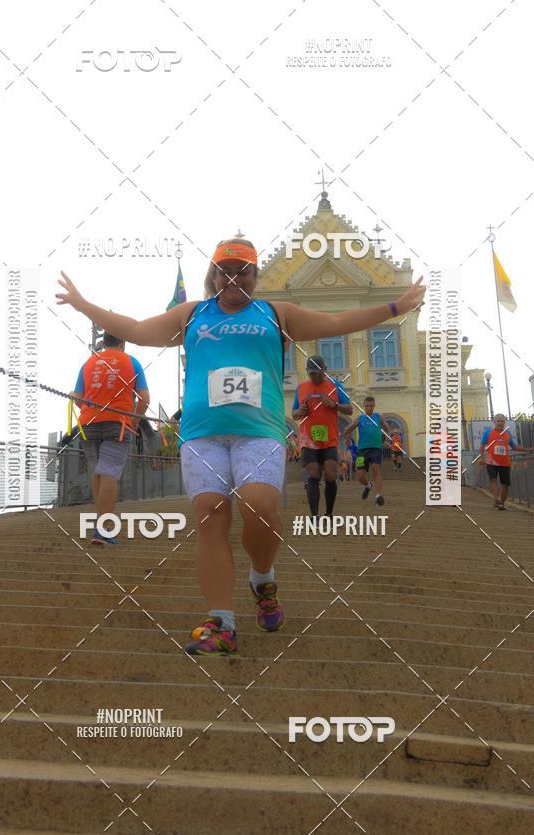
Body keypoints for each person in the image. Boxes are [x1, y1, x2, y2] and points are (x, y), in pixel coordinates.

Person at [57, 239, 425, 655]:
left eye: (244, 270)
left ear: (255, 276)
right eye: (225, 269)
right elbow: (137, 330)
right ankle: (221, 622)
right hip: (201, 434)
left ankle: (262, 578)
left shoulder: (275, 313)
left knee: (260, 506)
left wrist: (397, 307)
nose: (234, 277)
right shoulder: (193, 314)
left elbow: (337, 320)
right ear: (213, 275)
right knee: (210, 519)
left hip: (259, 431)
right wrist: (84, 305)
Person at [70, 332, 149, 545]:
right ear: (122, 342)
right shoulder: (131, 362)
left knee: (97, 469)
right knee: (109, 471)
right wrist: (134, 421)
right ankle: (103, 529)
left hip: (89, 422)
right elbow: (144, 398)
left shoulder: (88, 363)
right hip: (119, 422)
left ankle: (100, 522)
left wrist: (90, 409)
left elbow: (77, 397)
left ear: (104, 343)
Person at [291, 356, 352, 517]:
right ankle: (314, 515)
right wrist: (300, 412)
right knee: (313, 473)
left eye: (318, 373)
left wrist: (335, 405)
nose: (315, 377)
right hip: (307, 440)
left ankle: (329, 513)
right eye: (312, 374)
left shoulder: (335, 387)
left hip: (329, 440)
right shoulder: (301, 388)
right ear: (307, 372)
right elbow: (294, 413)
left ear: (324, 369)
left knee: (331, 473)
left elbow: (350, 409)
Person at [478, 413, 532, 511]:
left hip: (505, 463)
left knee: (505, 484)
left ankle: (501, 504)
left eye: (502, 421)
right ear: (494, 422)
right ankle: (496, 499)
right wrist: (482, 458)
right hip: (491, 462)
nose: (500, 423)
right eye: (498, 421)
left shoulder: (507, 434)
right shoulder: (488, 432)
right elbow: (482, 446)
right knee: (493, 479)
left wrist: (527, 450)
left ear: (504, 423)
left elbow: (515, 446)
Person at [344, 396, 390, 507]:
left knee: (375, 468)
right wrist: (346, 432)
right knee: (360, 476)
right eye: (367, 406)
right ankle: (368, 485)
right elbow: (349, 428)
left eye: (371, 406)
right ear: (364, 407)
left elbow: (386, 428)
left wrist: (384, 439)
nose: (369, 408)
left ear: (374, 406)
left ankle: (378, 495)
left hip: (376, 449)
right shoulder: (360, 419)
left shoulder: (379, 417)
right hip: (362, 451)